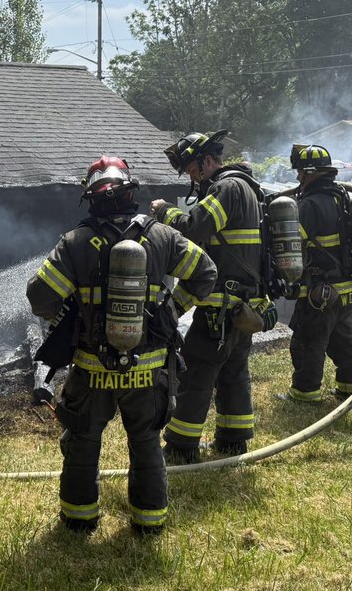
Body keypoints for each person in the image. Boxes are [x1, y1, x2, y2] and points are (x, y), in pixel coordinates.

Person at [27, 155, 216, 535]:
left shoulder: (75, 242)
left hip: (92, 370)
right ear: (131, 192)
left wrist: (75, 311)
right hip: (149, 372)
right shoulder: (162, 236)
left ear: (91, 197)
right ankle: (148, 524)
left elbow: (41, 299)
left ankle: (79, 522)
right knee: (146, 443)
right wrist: (170, 308)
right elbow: (206, 273)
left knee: (82, 444)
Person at [149, 130, 272, 464]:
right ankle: (233, 441)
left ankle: (180, 447)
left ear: (207, 161)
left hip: (219, 307)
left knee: (196, 376)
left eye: (191, 170)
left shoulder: (226, 188)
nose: (191, 177)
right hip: (240, 305)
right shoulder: (248, 189)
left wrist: (164, 212)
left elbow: (194, 228)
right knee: (233, 375)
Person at [285, 144, 352, 403]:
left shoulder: (309, 205)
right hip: (347, 288)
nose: (298, 178)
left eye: (300, 172)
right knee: (342, 340)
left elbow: (293, 243)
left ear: (311, 173)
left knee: (308, 342)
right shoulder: (341, 197)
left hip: (322, 291)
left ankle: (305, 393)